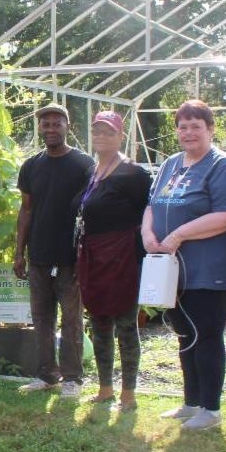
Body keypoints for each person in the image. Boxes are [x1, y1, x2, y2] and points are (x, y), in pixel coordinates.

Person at [142, 100, 226, 430]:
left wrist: (177, 236)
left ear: (210, 129)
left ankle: (211, 409)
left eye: (195, 126)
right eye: (183, 127)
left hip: (209, 269)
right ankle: (191, 401)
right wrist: (147, 232)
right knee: (184, 333)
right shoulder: (172, 164)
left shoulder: (221, 165)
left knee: (206, 335)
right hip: (174, 269)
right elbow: (151, 205)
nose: (188, 133)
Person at [13, 103, 93, 397]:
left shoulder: (84, 164)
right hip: (39, 256)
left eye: (55, 124)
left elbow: (90, 212)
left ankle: (72, 379)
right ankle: (46, 374)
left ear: (67, 126)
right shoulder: (32, 165)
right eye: (45, 124)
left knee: (71, 319)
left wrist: (85, 257)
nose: (50, 129)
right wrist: (19, 252)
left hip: (71, 258)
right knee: (41, 318)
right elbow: (26, 210)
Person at [74, 111, 151, 411]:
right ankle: (105, 388)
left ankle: (128, 393)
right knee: (99, 321)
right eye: (97, 131)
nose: (102, 137)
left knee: (126, 324)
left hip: (123, 257)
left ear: (121, 136)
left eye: (108, 132)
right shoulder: (92, 171)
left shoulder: (134, 174)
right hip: (93, 256)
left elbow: (148, 213)